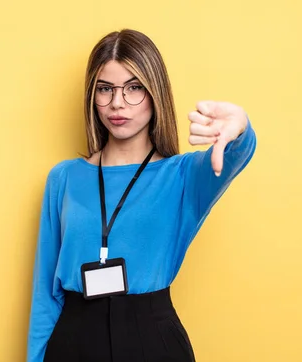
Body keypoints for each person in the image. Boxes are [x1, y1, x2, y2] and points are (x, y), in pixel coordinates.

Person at [27, 29, 257, 362]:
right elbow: (46, 294)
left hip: (151, 339)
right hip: (74, 339)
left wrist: (240, 128)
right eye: (105, 89)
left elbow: (236, 155)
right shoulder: (63, 178)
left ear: (155, 92)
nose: (117, 103)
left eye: (134, 88)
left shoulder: (182, 176)